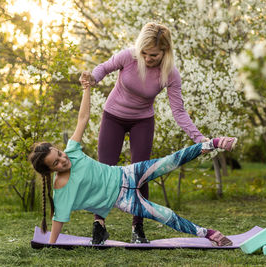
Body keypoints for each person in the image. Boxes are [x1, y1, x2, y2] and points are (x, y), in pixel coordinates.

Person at [29, 75, 237, 246]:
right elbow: (59, 220)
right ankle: (208, 233)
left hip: (127, 173)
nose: (63, 160)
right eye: (56, 163)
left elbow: (83, 118)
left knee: (170, 161)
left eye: (59, 154)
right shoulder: (61, 189)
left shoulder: (72, 151)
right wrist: (51, 243)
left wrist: (86, 89)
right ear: (49, 171)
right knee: (165, 215)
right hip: (123, 201)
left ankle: (212, 143)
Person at [80, 22, 209, 244]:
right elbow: (103, 68)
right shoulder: (128, 57)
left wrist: (200, 139)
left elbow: (178, 111)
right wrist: (92, 77)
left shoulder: (170, 74)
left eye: (154, 55)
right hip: (113, 116)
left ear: (165, 52)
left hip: (143, 121)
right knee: (105, 170)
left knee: (142, 174)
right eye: (145, 53)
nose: (148, 59)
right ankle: (99, 225)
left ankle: (137, 228)